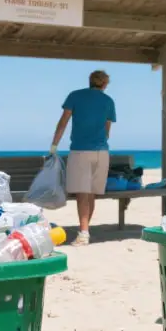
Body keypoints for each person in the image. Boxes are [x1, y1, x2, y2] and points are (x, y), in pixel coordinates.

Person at [50, 70, 117, 246]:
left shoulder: (75, 96)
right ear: (104, 84)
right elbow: (107, 130)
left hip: (80, 151)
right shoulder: (108, 101)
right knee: (91, 194)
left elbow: (63, 122)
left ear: (90, 81)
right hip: (102, 153)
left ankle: (84, 233)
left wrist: (54, 146)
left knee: (82, 194)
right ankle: (85, 230)